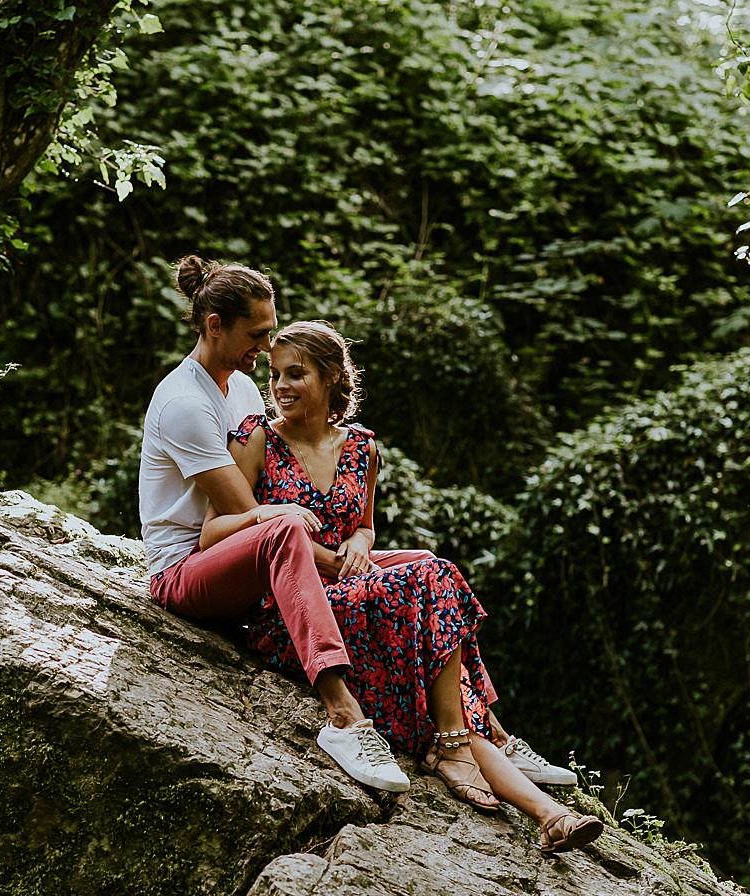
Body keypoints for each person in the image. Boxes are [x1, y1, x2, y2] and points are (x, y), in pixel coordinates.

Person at [201, 319, 602, 853]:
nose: (280, 386)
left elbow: (363, 524)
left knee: (435, 597)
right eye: (276, 374)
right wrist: (278, 516)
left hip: (361, 598)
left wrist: (363, 542)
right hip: (296, 609)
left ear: (329, 378)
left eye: (296, 374)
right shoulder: (257, 439)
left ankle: (547, 813)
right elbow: (211, 535)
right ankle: (476, 741)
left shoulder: (362, 447)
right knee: (428, 580)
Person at [140, 256, 410, 793]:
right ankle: (343, 716)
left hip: (256, 563)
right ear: (214, 325)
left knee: (424, 568)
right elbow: (251, 521)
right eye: (257, 334)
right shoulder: (184, 403)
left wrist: (359, 550)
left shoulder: (240, 388)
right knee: (285, 530)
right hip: (186, 571)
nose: (266, 349)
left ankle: (484, 734)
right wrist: (344, 563)